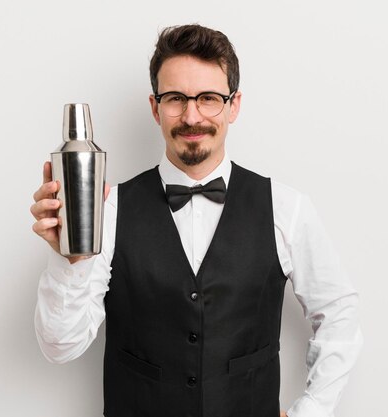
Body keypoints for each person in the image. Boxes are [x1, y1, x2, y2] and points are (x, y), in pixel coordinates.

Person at [31, 24, 362, 417]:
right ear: (155, 107)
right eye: (175, 98)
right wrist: (70, 260)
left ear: (233, 105)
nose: (192, 116)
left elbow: (340, 313)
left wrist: (311, 411)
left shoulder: (286, 207)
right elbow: (59, 347)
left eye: (208, 98)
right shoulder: (110, 209)